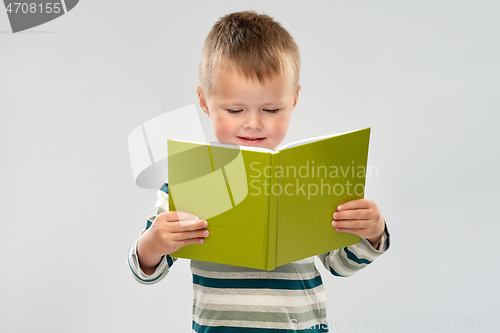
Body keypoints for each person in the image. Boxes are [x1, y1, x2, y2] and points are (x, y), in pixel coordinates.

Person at [128, 10, 390, 332]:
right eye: (235, 109)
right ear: (205, 101)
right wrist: (153, 243)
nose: (253, 123)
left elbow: (340, 264)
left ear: (294, 99)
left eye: (271, 109)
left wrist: (372, 233)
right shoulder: (191, 179)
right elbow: (145, 270)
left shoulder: (311, 179)